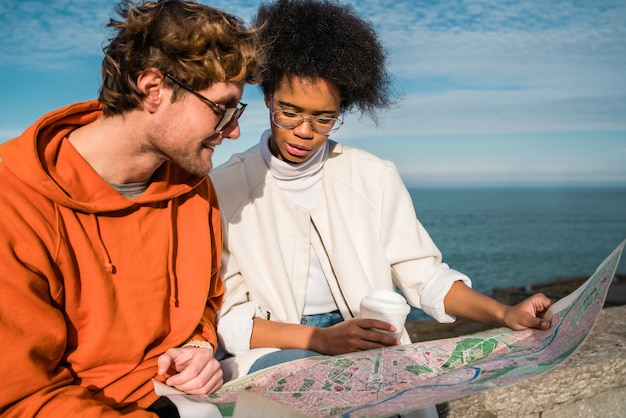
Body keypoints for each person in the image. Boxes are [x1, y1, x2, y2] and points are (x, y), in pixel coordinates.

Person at [210, 0, 553, 381]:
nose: (305, 131)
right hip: (276, 351)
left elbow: (425, 275)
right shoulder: (223, 188)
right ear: (268, 96)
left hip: (370, 342)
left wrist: (505, 314)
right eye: (289, 112)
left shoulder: (373, 176)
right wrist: (322, 339)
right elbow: (231, 319)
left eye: (324, 119)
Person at [0, 0, 262, 416]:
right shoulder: (14, 202)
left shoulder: (194, 187)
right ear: (153, 88)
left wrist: (198, 344)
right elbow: (21, 397)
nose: (233, 131)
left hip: (188, 397)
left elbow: (206, 303)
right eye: (221, 108)